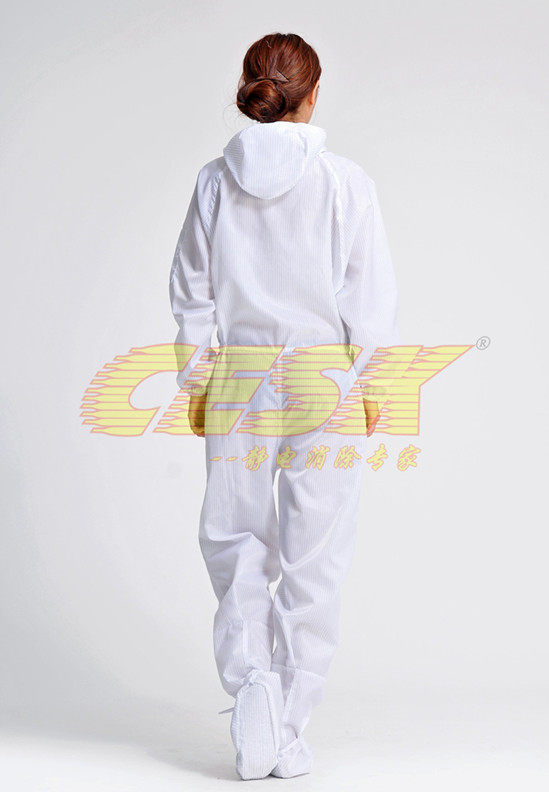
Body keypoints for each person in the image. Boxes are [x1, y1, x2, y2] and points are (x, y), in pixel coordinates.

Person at [169, 32, 400, 780]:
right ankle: (288, 725)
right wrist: (370, 383)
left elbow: (191, 290)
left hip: (238, 374)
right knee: (315, 557)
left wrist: (197, 380)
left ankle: (253, 689)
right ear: (313, 94)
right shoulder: (344, 182)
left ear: (251, 89)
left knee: (235, 540)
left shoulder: (214, 182)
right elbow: (369, 294)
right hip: (323, 375)